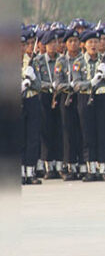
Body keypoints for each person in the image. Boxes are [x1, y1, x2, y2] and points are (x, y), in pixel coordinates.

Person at [71, 30, 105, 182]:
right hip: (85, 98)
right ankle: (91, 169)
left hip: (103, 98)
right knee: (88, 134)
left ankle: (103, 169)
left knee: (103, 133)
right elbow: (76, 85)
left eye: (96, 42)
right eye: (90, 42)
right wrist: (91, 82)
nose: (93, 45)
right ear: (84, 45)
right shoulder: (78, 62)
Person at [54, 29, 85, 181]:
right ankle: (70, 165)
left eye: (76, 41)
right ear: (66, 44)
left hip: (82, 96)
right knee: (68, 132)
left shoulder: (83, 59)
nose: (73, 44)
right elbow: (57, 84)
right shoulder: (61, 61)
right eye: (70, 41)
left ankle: (83, 165)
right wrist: (69, 86)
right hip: (67, 98)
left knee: (82, 130)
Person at [34, 30, 64, 179]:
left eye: (55, 42)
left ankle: (59, 164)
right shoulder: (38, 61)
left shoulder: (62, 60)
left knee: (59, 129)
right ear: (44, 45)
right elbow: (37, 81)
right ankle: (48, 165)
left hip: (59, 95)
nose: (53, 45)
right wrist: (49, 85)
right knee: (46, 130)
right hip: (45, 96)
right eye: (50, 43)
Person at [21, 28, 43, 185]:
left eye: (26, 44)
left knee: (33, 137)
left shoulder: (33, 62)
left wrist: (33, 79)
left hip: (32, 101)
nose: (24, 47)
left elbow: (39, 85)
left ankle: (30, 171)